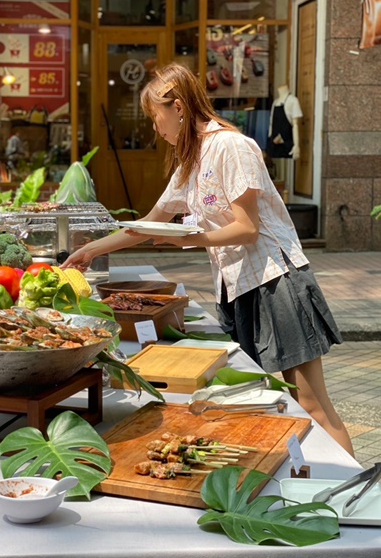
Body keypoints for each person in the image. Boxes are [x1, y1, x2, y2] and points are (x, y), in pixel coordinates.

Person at [63, 62, 353, 455]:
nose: (156, 129)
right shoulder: (191, 161)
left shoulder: (232, 146)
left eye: (156, 117)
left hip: (276, 281)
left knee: (312, 404)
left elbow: (247, 228)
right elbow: (150, 222)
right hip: (238, 286)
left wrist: (191, 238)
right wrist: (91, 250)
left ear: (178, 108)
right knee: (267, 400)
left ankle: (354, 490)